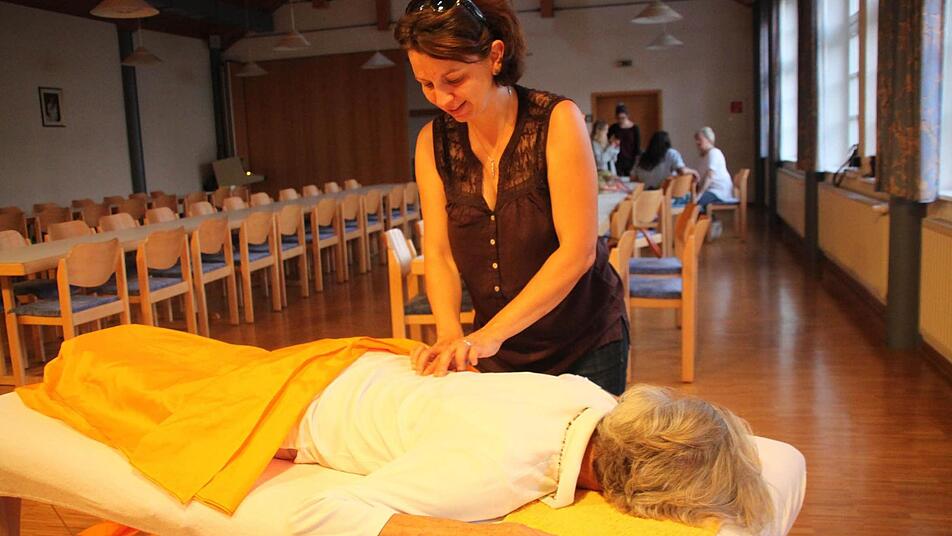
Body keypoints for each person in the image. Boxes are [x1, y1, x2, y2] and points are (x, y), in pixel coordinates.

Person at [394, 0, 628, 394]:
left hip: (584, 341)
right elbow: (439, 251)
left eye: (454, 79)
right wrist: (450, 333)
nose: (443, 99)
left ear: (495, 56)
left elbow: (578, 251)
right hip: (497, 349)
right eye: (427, 84)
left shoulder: (556, 120)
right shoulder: (432, 143)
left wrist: (489, 335)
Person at [283, 351, 775, 535]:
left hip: (365, 366)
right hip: (297, 404)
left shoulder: (589, 394)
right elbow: (318, 514)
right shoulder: (493, 471)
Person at [632, 130, 698, 190]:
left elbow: (633, 177)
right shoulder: (671, 153)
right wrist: (694, 171)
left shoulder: (641, 157)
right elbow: (682, 171)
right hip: (664, 195)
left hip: (645, 195)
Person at [694, 126, 737, 212]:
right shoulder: (704, 156)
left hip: (719, 192)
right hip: (711, 191)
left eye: (699, 139)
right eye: (696, 140)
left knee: (695, 202)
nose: (697, 142)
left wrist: (699, 195)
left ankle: (706, 220)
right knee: (689, 199)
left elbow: (709, 176)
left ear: (708, 139)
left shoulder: (714, 153)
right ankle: (709, 219)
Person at [607, 104, 640, 177]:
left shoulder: (635, 128)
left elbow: (637, 147)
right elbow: (607, 141)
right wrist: (612, 142)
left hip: (630, 160)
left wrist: (635, 165)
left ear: (627, 116)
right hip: (616, 160)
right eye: (618, 118)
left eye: (623, 118)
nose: (620, 120)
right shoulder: (614, 127)